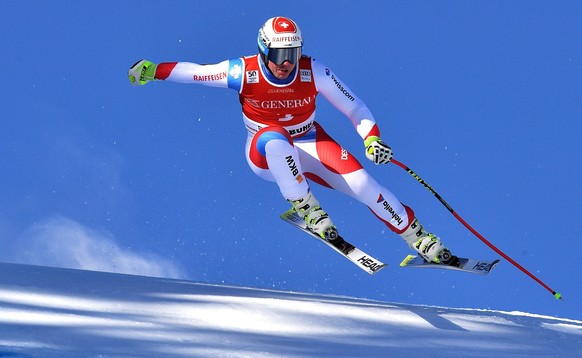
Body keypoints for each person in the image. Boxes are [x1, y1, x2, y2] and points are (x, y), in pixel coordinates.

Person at [128, 16, 456, 264]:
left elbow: (355, 107)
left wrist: (371, 139)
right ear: (263, 49)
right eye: (279, 53)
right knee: (275, 137)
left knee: (366, 186)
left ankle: (420, 240)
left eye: (293, 53)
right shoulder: (244, 72)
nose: (286, 63)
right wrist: (155, 70)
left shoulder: (314, 71)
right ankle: (307, 207)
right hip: (266, 153)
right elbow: (197, 72)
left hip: (312, 141)